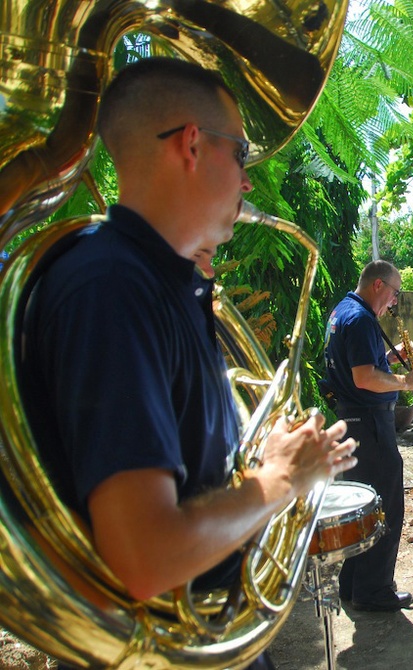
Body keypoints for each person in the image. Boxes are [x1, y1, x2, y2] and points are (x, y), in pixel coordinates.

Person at [18, 58, 357, 669]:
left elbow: (191, 476)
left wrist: (256, 460)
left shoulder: (160, 283)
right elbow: (146, 555)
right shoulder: (111, 289)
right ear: (192, 145)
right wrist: (279, 479)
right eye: (241, 155)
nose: (248, 181)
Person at [322, 260, 413, 611]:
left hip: (352, 423)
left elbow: (357, 364)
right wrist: (407, 381)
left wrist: (385, 358)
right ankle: (374, 590)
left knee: (360, 506)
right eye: (395, 293)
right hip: (369, 423)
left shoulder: (342, 311)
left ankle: (352, 585)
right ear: (379, 285)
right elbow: (364, 378)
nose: (395, 301)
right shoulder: (362, 318)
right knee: (385, 508)